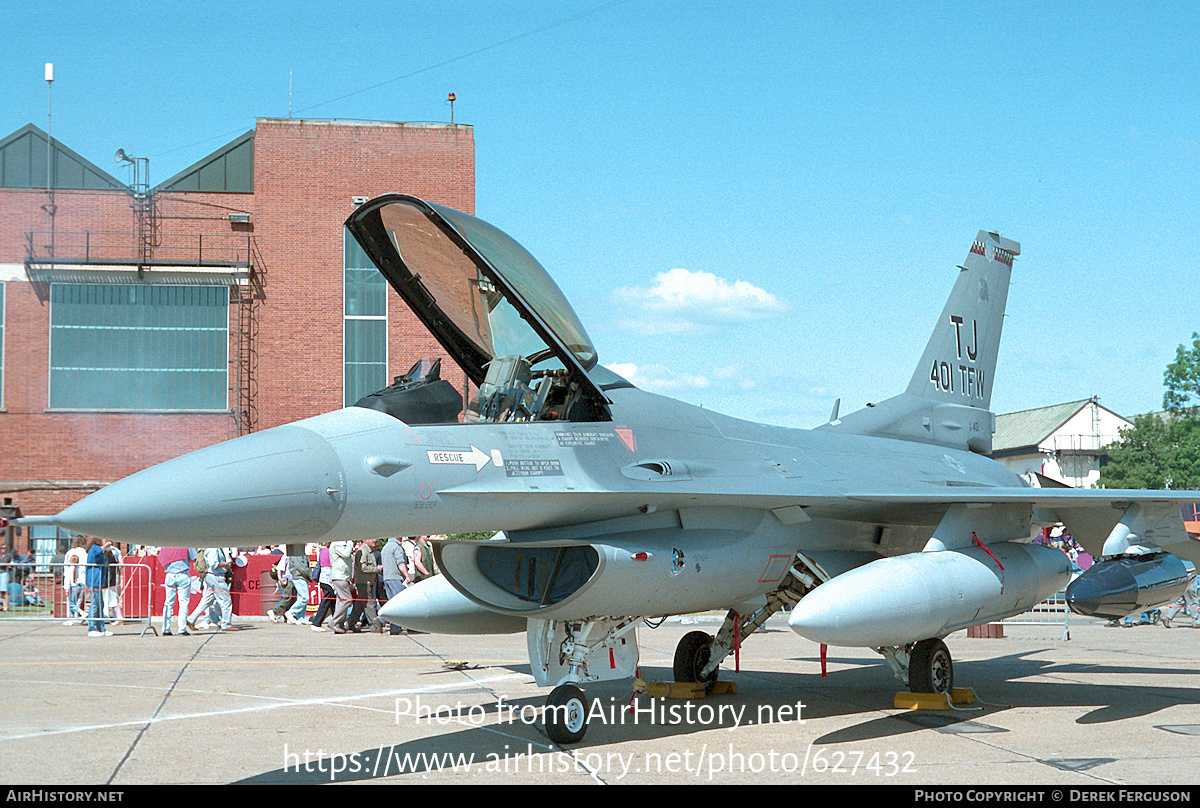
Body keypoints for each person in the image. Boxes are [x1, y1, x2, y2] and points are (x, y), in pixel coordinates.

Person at [187, 547, 235, 631]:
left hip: (210, 576)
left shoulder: (210, 548)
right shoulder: (214, 548)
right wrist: (226, 565)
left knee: (206, 601)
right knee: (226, 601)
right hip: (216, 576)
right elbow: (214, 564)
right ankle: (226, 624)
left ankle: (191, 619)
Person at [158, 546, 196, 635]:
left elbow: (161, 558)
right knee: (183, 603)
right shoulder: (186, 543)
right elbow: (194, 557)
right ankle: (182, 629)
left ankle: (166, 629)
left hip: (170, 574)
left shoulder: (166, 544)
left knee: (168, 603)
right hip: (183, 573)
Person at [348, 538, 383, 633]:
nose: (375, 540)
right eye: (372, 539)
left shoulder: (368, 551)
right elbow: (363, 568)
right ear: (366, 540)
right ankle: (374, 626)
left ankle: (351, 623)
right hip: (364, 582)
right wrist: (377, 569)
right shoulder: (363, 551)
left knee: (360, 604)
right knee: (369, 603)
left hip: (367, 582)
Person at [380, 538, 410, 635]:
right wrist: (407, 575)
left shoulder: (385, 548)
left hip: (386, 578)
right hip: (396, 577)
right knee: (401, 602)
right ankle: (381, 620)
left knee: (392, 603)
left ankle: (395, 627)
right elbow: (400, 563)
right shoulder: (397, 547)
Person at [85, 536, 112, 637]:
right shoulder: (94, 548)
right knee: (95, 604)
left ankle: (101, 628)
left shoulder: (98, 549)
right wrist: (105, 546)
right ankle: (92, 628)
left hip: (98, 580)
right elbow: (96, 553)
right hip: (94, 579)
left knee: (100, 604)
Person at [327, 540, 355, 634]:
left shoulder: (341, 544)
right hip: (339, 576)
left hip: (343, 576)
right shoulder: (336, 544)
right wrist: (350, 544)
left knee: (341, 601)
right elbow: (346, 554)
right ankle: (334, 622)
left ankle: (339, 623)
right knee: (347, 599)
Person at [63, 536, 88, 625]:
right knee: (78, 601)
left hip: (72, 581)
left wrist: (66, 586)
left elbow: (66, 570)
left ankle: (75, 616)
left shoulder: (70, 552)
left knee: (71, 602)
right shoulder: (84, 553)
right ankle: (77, 617)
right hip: (82, 581)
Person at [309, 544, 335, 632]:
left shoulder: (323, 551)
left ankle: (336, 622)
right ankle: (317, 622)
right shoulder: (329, 551)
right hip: (329, 578)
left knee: (333, 601)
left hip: (323, 578)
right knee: (327, 600)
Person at [103, 542, 125, 625]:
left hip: (107, 578)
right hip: (114, 577)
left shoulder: (104, 550)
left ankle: (114, 617)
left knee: (109, 599)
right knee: (114, 598)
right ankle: (117, 617)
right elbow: (121, 563)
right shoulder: (116, 550)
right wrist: (118, 573)